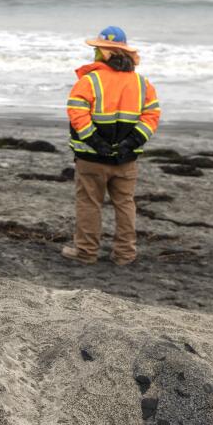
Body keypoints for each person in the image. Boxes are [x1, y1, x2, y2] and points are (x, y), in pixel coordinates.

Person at [62, 26, 162, 266]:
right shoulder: (142, 83)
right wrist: (132, 141)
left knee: (89, 203)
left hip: (91, 158)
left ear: (105, 53)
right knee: (125, 204)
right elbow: (152, 116)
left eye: (98, 49)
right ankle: (125, 254)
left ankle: (86, 252)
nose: (96, 52)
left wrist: (95, 141)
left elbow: (77, 113)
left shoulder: (89, 80)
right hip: (126, 160)